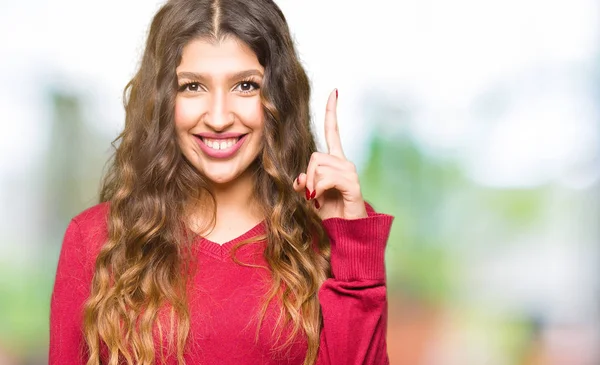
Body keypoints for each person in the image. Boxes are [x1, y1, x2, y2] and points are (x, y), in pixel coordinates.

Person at [49, 0, 394, 364]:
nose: (217, 117)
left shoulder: (333, 237)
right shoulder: (94, 239)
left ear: (278, 96)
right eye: (192, 86)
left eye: (245, 86)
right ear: (162, 101)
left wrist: (351, 243)